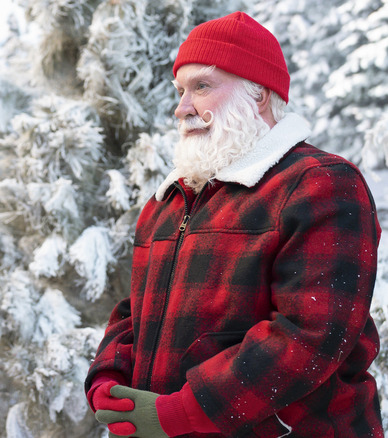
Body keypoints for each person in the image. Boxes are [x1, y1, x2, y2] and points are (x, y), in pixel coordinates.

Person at [85, 11, 383, 437]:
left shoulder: (319, 183)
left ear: (259, 93)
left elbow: (310, 336)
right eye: (180, 90)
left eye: (201, 87)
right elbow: (135, 312)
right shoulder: (169, 200)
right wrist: (107, 379)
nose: (181, 108)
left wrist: (183, 412)